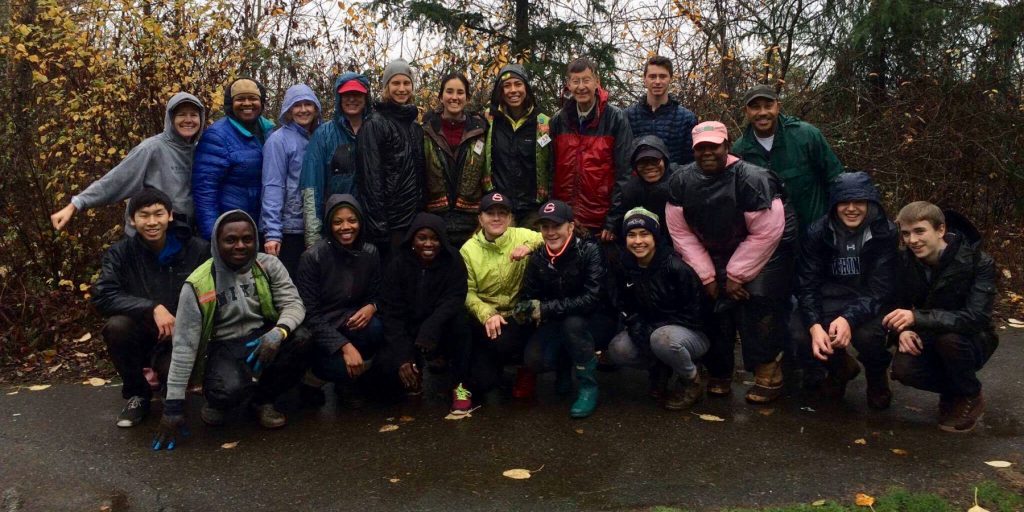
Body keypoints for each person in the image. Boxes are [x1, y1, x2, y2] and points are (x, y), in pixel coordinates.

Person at [665, 121, 798, 404]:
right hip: (710, 250)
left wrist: (736, 274)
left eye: (714, 146)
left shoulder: (753, 178)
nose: (707, 152)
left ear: (727, 146)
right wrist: (709, 277)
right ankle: (719, 371)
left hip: (766, 251)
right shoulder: (680, 180)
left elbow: (767, 232)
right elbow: (680, 232)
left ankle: (768, 370)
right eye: (701, 148)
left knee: (756, 298)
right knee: (710, 301)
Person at [153, 210, 308, 450]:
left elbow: (294, 305)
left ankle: (262, 400)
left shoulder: (268, 265)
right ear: (217, 241)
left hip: (262, 336)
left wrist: (279, 332)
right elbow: (184, 346)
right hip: (222, 346)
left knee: (302, 339)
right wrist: (173, 407)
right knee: (227, 390)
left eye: (247, 239)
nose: (240, 245)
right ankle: (218, 402)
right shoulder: (198, 284)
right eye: (231, 240)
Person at [92, 189, 209, 427]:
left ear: (170, 216)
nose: (152, 222)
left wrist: (186, 323)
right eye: (144, 215)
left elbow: (210, 294)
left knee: (174, 388)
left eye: (158, 214)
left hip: (181, 336)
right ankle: (138, 394)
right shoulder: (121, 253)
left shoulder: (196, 249)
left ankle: (171, 387)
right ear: (132, 220)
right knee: (116, 327)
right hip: (142, 331)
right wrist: (152, 308)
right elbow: (103, 294)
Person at [885, 201, 998, 433]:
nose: (912, 240)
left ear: (940, 230)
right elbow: (897, 304)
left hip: (972, 339)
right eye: (906, 233)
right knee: (902, 370)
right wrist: (902, 331)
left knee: (949, 340)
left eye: (919, 231)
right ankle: (955, 390)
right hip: (927, 334)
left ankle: (970, 394)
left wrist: (917, 318)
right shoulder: (904, 260)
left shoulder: (979, 262)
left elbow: (975, 317)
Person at [792, 171, 898, 409]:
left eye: (859, 202)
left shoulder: (885, 233)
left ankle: (876, 377)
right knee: (800, 333)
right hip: (829, 299)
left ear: (870, 203)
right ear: (834, 206)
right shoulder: (817, 232)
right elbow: (807, 284)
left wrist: (848, 319)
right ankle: (840, 368)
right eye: (844, 203)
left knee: (868, 336)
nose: (851, 209)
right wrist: (815, 325)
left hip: (868, 301)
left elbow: (880, 289)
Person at [50, 92, 206, 234]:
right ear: (171, 119)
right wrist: (77, 203)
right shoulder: (151, 149)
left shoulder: (200, 151)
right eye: (181, 115)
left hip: (182, 237)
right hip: (148, 237)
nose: (188, 120)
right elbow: (116, 180)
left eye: (194, 115)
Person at [518, 200, 615, 418]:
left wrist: (545, 308)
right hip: (558, 319)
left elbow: (592, 298)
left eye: (557, 226)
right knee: (534, 358)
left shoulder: (590, 250)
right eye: (545, 227)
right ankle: (563, 368)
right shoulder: (538, 257)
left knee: (573, 325)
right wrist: (524, 306)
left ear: (570, 226)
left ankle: (588, 386)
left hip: (595, 320)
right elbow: (531, 293)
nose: (551, 232)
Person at [608, 207, 708, 410]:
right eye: (631, 235)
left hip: (691, 333)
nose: (638, 241)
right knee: (618, 349)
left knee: (662, 339)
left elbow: (698, 313)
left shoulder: (676, 267)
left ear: (655, 236)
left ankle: (693, 379)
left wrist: (654, 330)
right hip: (649, 329)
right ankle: (659, 369)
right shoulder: (624, 267)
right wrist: (638, 328)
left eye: (644, 234)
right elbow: (623, 304)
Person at [377, 213, 472, 413]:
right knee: (386, 372)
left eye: (435, 238)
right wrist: (404, 356)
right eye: (422, 238)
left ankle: (460, 386)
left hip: (440, 326)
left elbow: (455, 298)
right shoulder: (398, 263)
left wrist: (431, 327)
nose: (429, 244)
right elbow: (391, 311)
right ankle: (414, 371)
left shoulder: (453, 259)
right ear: (412, 239)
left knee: (461, 322)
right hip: (409, 328)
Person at [294, 194, 382, 409]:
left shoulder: (370, 252)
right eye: (338, 222)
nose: (346, 227)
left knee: (377, 329)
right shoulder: (312, 258)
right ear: (329, 224)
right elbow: (310, 314)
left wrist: (372, 307)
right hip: (321, 331)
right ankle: (312, 378)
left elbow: (379, 293)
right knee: (345, 365)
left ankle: (348, 383)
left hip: (352, 323)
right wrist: (344, 346)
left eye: (352, 220)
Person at [461, 191, 543, 400]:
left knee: (508, 342)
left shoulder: (521, 235)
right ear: (481, 218)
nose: (496, 218)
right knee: (483, 383)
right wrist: (487, 314)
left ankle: (524, 369)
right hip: (486, 319)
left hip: (517, 316)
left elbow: (551, 237)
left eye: (502, 213)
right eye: (490, 213)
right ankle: (485, 373)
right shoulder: (468, 250)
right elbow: (467, 292)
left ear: (509, 218)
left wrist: (528, 247)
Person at [731, 84, 844, 230]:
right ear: (746, 111)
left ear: (778, 107)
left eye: (768, 105)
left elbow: (836, 179)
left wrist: (835, 224)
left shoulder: (806, 135)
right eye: (755, 107)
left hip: (814, 234)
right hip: (771, 240)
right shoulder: (739, 151)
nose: (762, 112)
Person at [550, 57, 633, 241]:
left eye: (586, 80)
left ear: (597, 82)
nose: (581, 87)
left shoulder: (615, 119)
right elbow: (551, 169)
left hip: (600, 222)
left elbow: (625, 173)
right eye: (576, 81)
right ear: (568, 85)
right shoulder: (558, 120)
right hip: (564, 219)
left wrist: (613, 220)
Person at [192, 78, 275, 240]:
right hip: (231, 230)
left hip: (261, 226)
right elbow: (205, 191)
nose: (247, 103)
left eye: (252, 99)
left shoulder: (269, 131)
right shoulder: (217, 136)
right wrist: (214, 237)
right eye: (240, 99)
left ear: (261, 102)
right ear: (231, 104)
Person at [358, 59, 423, 260]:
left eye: (406, 83)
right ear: (386, 87)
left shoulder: (415, 128)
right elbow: (370, 180)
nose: (401, 89)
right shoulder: (374, 125)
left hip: (413, 222)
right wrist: (379, 227)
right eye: (396, 83)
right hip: (389, 225)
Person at [299, 72, 372, 248]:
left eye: (357, 94)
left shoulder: (377, 129)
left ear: (366, 97)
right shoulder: (323, 135)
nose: (352, 99)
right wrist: (313, 237)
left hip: (371, 228)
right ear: (339, 98)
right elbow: (311, 186)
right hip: (335, 228)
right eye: (347, 95)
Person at [260, 84, 322, 275]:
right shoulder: (278, 141)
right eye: (297, 105)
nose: (303, 110)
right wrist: (272, 233)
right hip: (288, 230)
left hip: (314, 226)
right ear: (288, 110)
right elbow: (272, 186)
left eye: (308, 104)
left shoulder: (320, 137)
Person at [422, 72, 487, 246]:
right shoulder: (425, 131)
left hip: (471, 220)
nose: (454, 97)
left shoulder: (482, 131)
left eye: (460, 92)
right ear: (441, 96)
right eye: (449, 92)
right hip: (435, 218)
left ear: (467, 97)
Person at [482, 64, 551, 226]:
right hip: (499, 207)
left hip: (533, 208)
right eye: (507, 86)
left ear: (526, 88)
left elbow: (551, 165)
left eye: (518, 84)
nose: (513, 90)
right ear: (500, 91)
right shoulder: (489, 120)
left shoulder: (543, 122)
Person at [624, 56, 698, 166]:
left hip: (675, 181)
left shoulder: (686, 118)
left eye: (663, 76)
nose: (657, 81)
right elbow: (622, 157)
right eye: (652, 77)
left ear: (670, 79)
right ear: (644, 79)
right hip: (637, 181)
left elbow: (691, 162)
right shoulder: (627, 116)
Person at [605, 135, 679, 237]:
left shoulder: (681, 179)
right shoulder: (631, 189)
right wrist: (611, 226)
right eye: (642, 162)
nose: (649, 166)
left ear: (665, 160)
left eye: (655, 160)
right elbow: (621, 211)